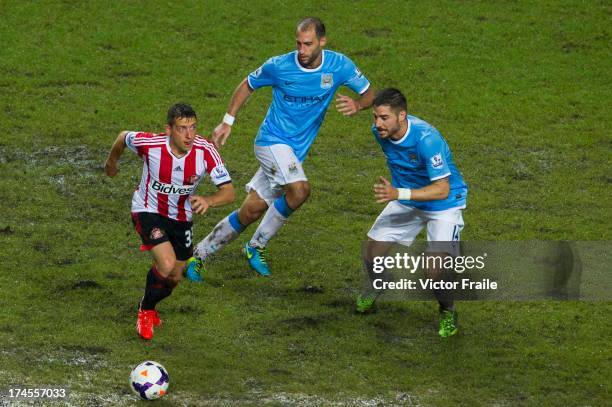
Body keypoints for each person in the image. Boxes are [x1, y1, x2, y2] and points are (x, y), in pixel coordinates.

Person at [186, 17, 374, 278]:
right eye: (298, 44)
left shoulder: (339, 66)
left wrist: (358, 105)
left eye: (308, 44)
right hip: (271, 142)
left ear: (322, 41)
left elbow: (369, 92)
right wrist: (227, 121)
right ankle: (255, 246)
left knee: (251, 210)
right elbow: (247, 85)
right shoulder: (279, 66)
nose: (302, 51)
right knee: (300, 190)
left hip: (293, 153)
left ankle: (198, 255)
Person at [104, 103, 235, 340]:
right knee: (166, 263)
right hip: (147, 209)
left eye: (193, 127)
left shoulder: (205, 150)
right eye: (182, 128)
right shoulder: (151, 145)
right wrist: (111, 163)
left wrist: (208, 200)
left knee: (174, 276)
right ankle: (145, 311)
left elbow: (229, 192)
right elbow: (123, 137)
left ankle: (150, 304)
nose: (189, 135)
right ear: (169, 130)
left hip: (181, 218)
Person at [356, 88, 468, 338]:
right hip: (406, 197)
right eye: (375, 117)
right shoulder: (380, 133)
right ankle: (380, 284)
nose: (377, 124)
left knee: (433, 271)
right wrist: (401, 194)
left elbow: (441, 189)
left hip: (444, 204)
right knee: (371, 255)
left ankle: (447, 311)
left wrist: (399, 194)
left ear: (402, 115)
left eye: (384, 117)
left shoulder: (428, 140)